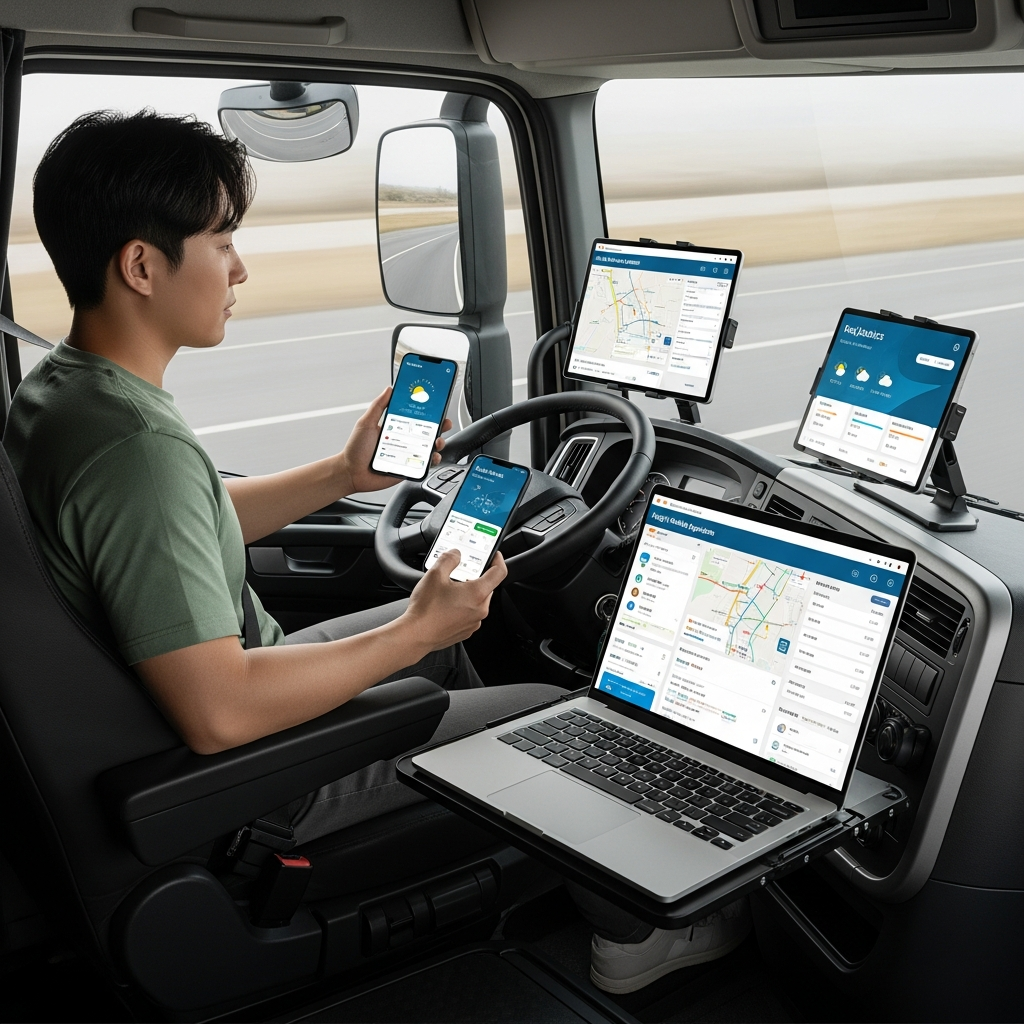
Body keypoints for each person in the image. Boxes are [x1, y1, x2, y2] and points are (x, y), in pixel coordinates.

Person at [2, 109, 746, 994]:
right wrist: (411, 634)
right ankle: (631, 943)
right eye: (221, 239)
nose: (239, 269)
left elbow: (173, 530)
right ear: (140, 265)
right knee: (558, 710)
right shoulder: (137, 447)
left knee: (452, 638)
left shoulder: (68, 393)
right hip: (241, 783)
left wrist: (341, 475)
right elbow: (219, 715)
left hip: (186, 713)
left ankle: (484, 835)